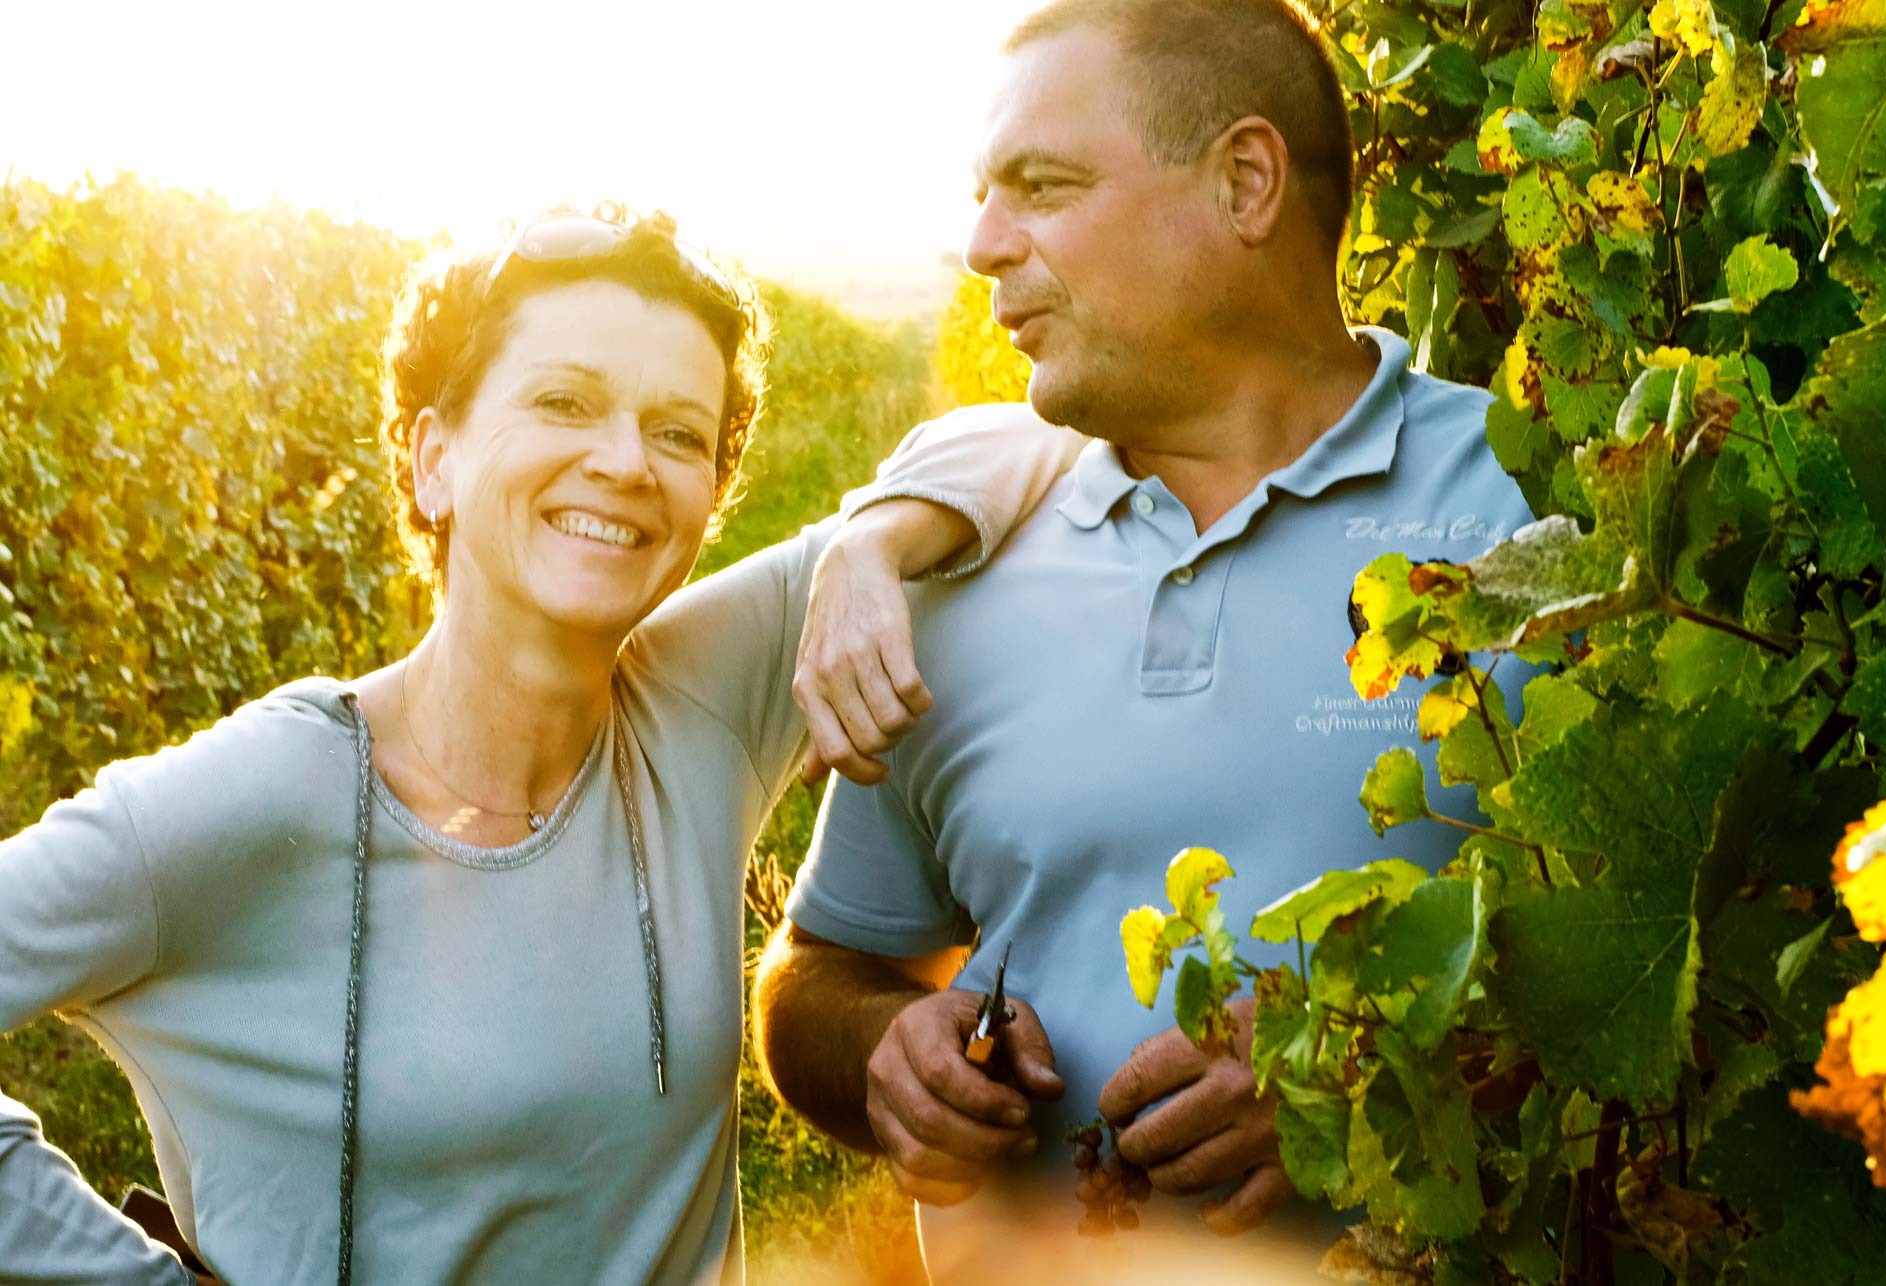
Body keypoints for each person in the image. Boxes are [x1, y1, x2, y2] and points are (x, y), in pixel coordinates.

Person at [0, 209, 1078, 1284]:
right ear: (432, 460)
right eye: (563, 402)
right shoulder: (261, 795)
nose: (623, 462)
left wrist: (870, 539)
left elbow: (1045, 434)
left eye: (676, 432)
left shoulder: (694, 698)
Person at [753, 1, 1537, 1281]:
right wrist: (881, 1051)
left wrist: (1379, 1078)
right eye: (980, 195)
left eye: (1039, 187)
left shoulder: (1526, 505)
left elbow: (1688, 992)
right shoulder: (952, 566)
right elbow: (818, 973)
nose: (980, 244)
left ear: (1243, 181)